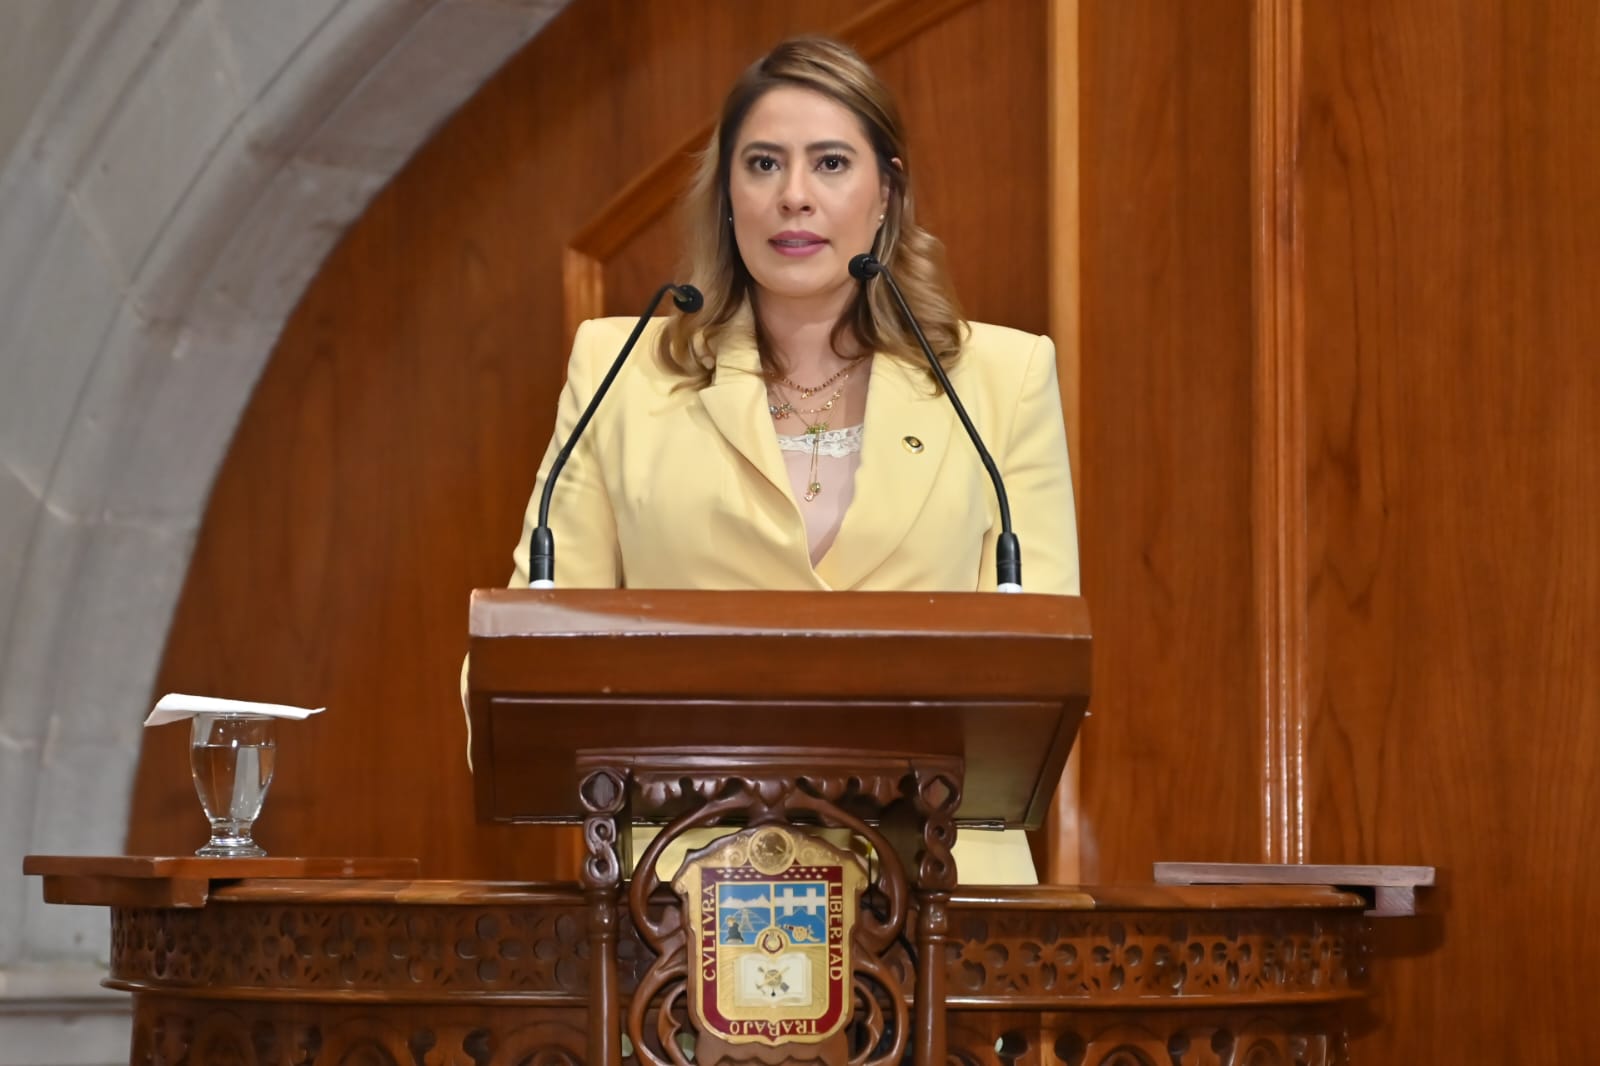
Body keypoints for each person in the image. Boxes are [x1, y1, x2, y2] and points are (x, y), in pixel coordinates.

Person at [505, 37, 1079, 883]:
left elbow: (1043, 665)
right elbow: (529, 651)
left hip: (941, 888)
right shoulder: (620, 371)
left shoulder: (1002, 378)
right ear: (727, 195)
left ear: (886, 193)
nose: (794, 196)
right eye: (764, 163)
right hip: (683, 895)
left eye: (831, 163)